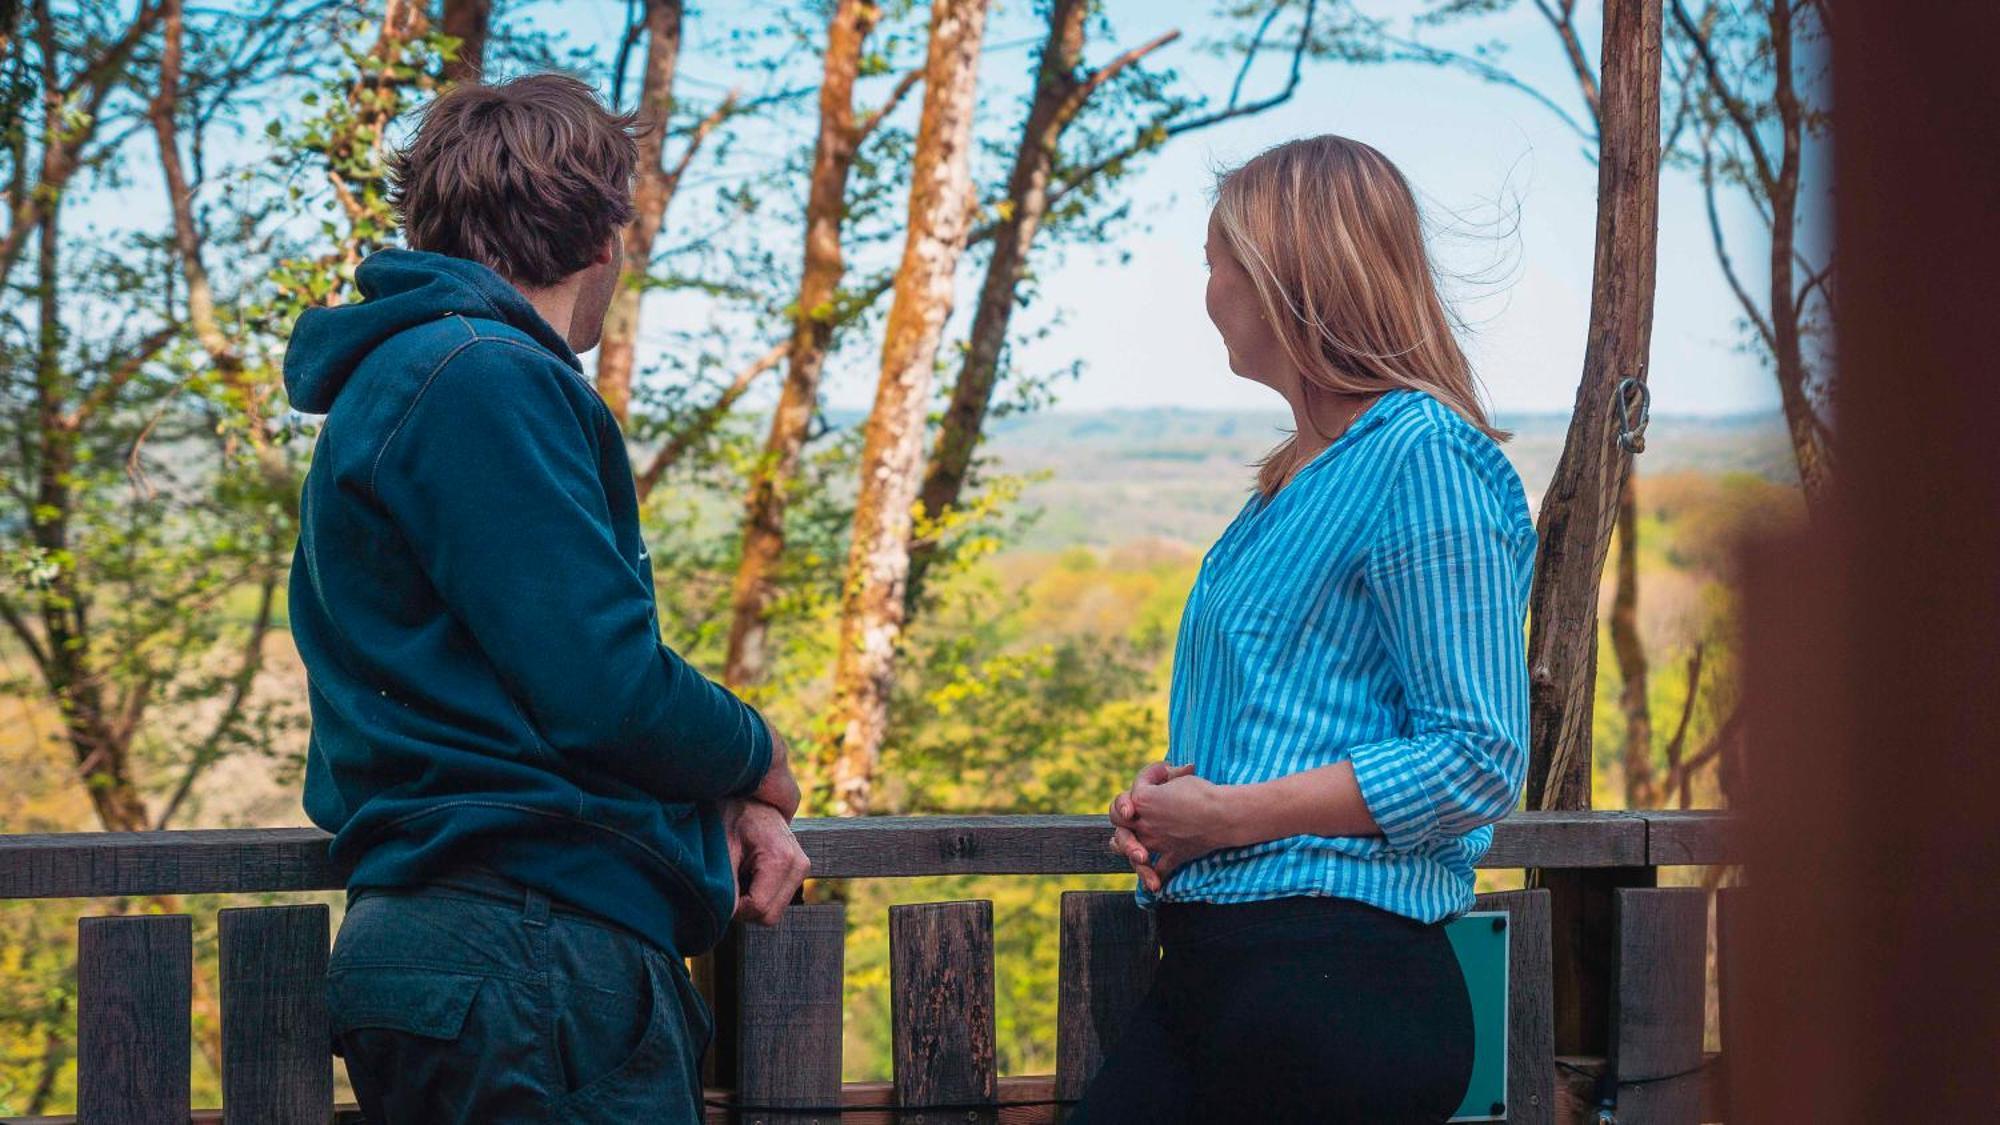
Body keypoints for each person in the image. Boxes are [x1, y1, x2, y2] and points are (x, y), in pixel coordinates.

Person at [283, 74, 809, 1123]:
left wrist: (716, 803)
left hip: (487, 948)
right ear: (604, 233)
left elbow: (516, 684)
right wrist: (761, 757)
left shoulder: (419, 371)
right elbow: (600, 688)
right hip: (527, 948)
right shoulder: (480, 374)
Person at [1075, 136, 1537, 1124]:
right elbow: (1280, 719)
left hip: (1339, 983)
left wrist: (1228, 817)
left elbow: (1475, 756)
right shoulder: (1292, 482)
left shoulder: (1422, 458)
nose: (1203, 290)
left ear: (1283, 276)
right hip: (1224, 978)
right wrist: (1170, 805)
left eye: (1214, 260)